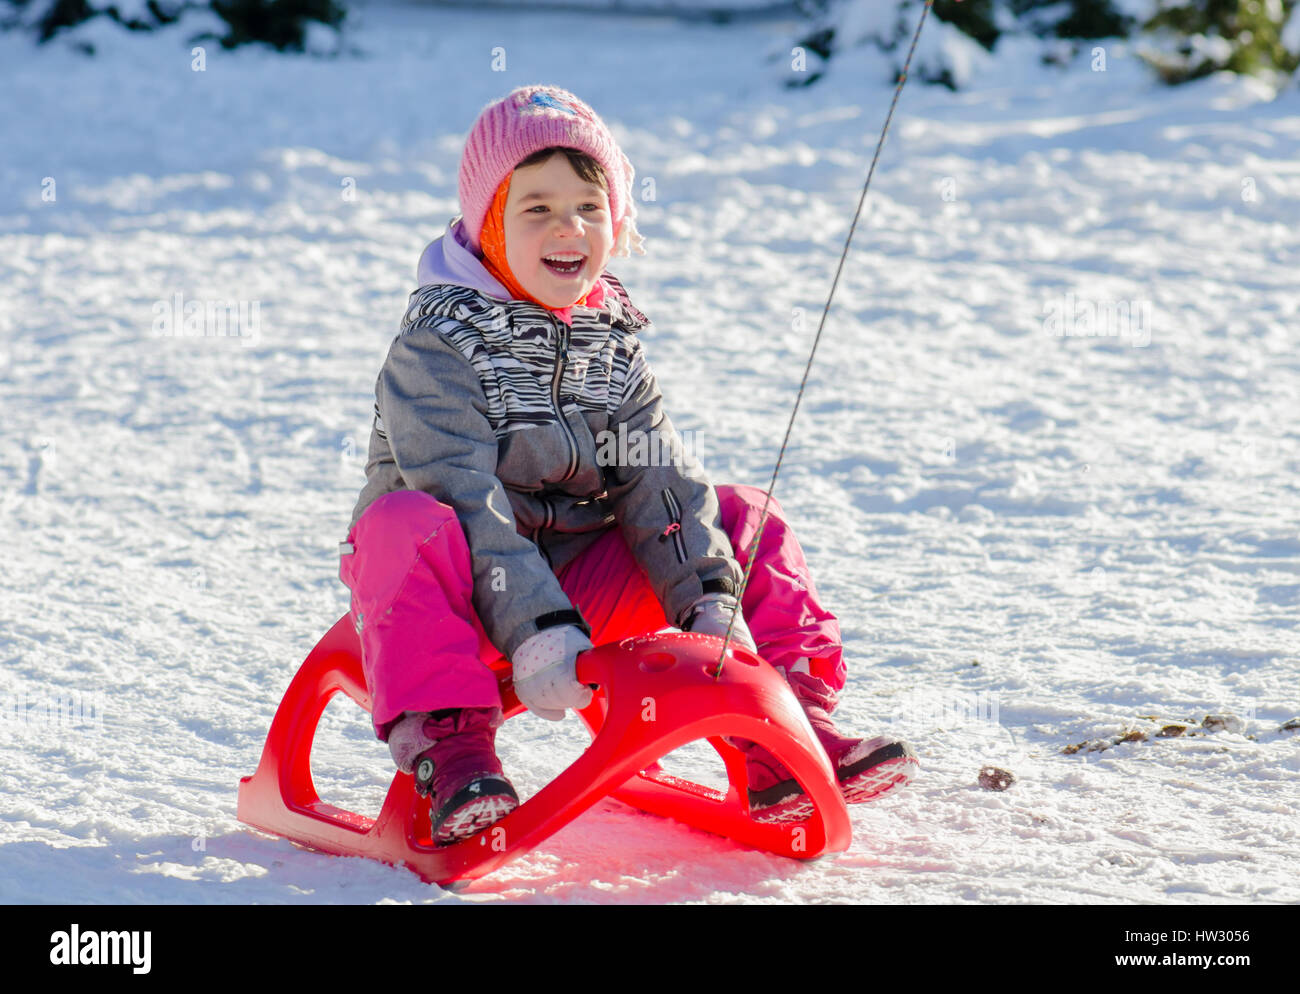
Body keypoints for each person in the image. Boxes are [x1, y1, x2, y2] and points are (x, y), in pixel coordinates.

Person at [339, 84, 918, 846]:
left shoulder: (610, 345)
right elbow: (462, 492)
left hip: (582, 590)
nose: (568, 228)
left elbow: (661, 480)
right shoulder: (439, 346)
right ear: (488, 226)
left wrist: (709, 603)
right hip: (451, 604)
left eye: (588, 205)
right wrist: (537, 627)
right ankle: (454, 757)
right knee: (403, 521)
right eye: (536, 208)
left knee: (741, 517)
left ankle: (785, 734)